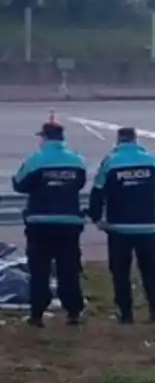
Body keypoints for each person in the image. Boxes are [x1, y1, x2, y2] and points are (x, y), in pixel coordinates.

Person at [88, 127, 155, 324]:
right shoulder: (152, 159)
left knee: (120, 272)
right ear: (135, 139)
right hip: (147, 225)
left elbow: (98, 191)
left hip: (118, 226)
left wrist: (96, 217)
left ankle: (125, 313)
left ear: (118, 141)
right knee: (151, 270)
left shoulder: (110, 161)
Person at [11, 121, 87, 327]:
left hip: (40, 222)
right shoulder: (77, 160)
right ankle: (73, 312)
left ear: (44, 138)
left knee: (40, 270)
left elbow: (19, 184)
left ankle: (37, 315)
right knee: (69, 268)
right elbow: (80, 183)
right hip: (69, 223)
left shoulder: (36, 160)